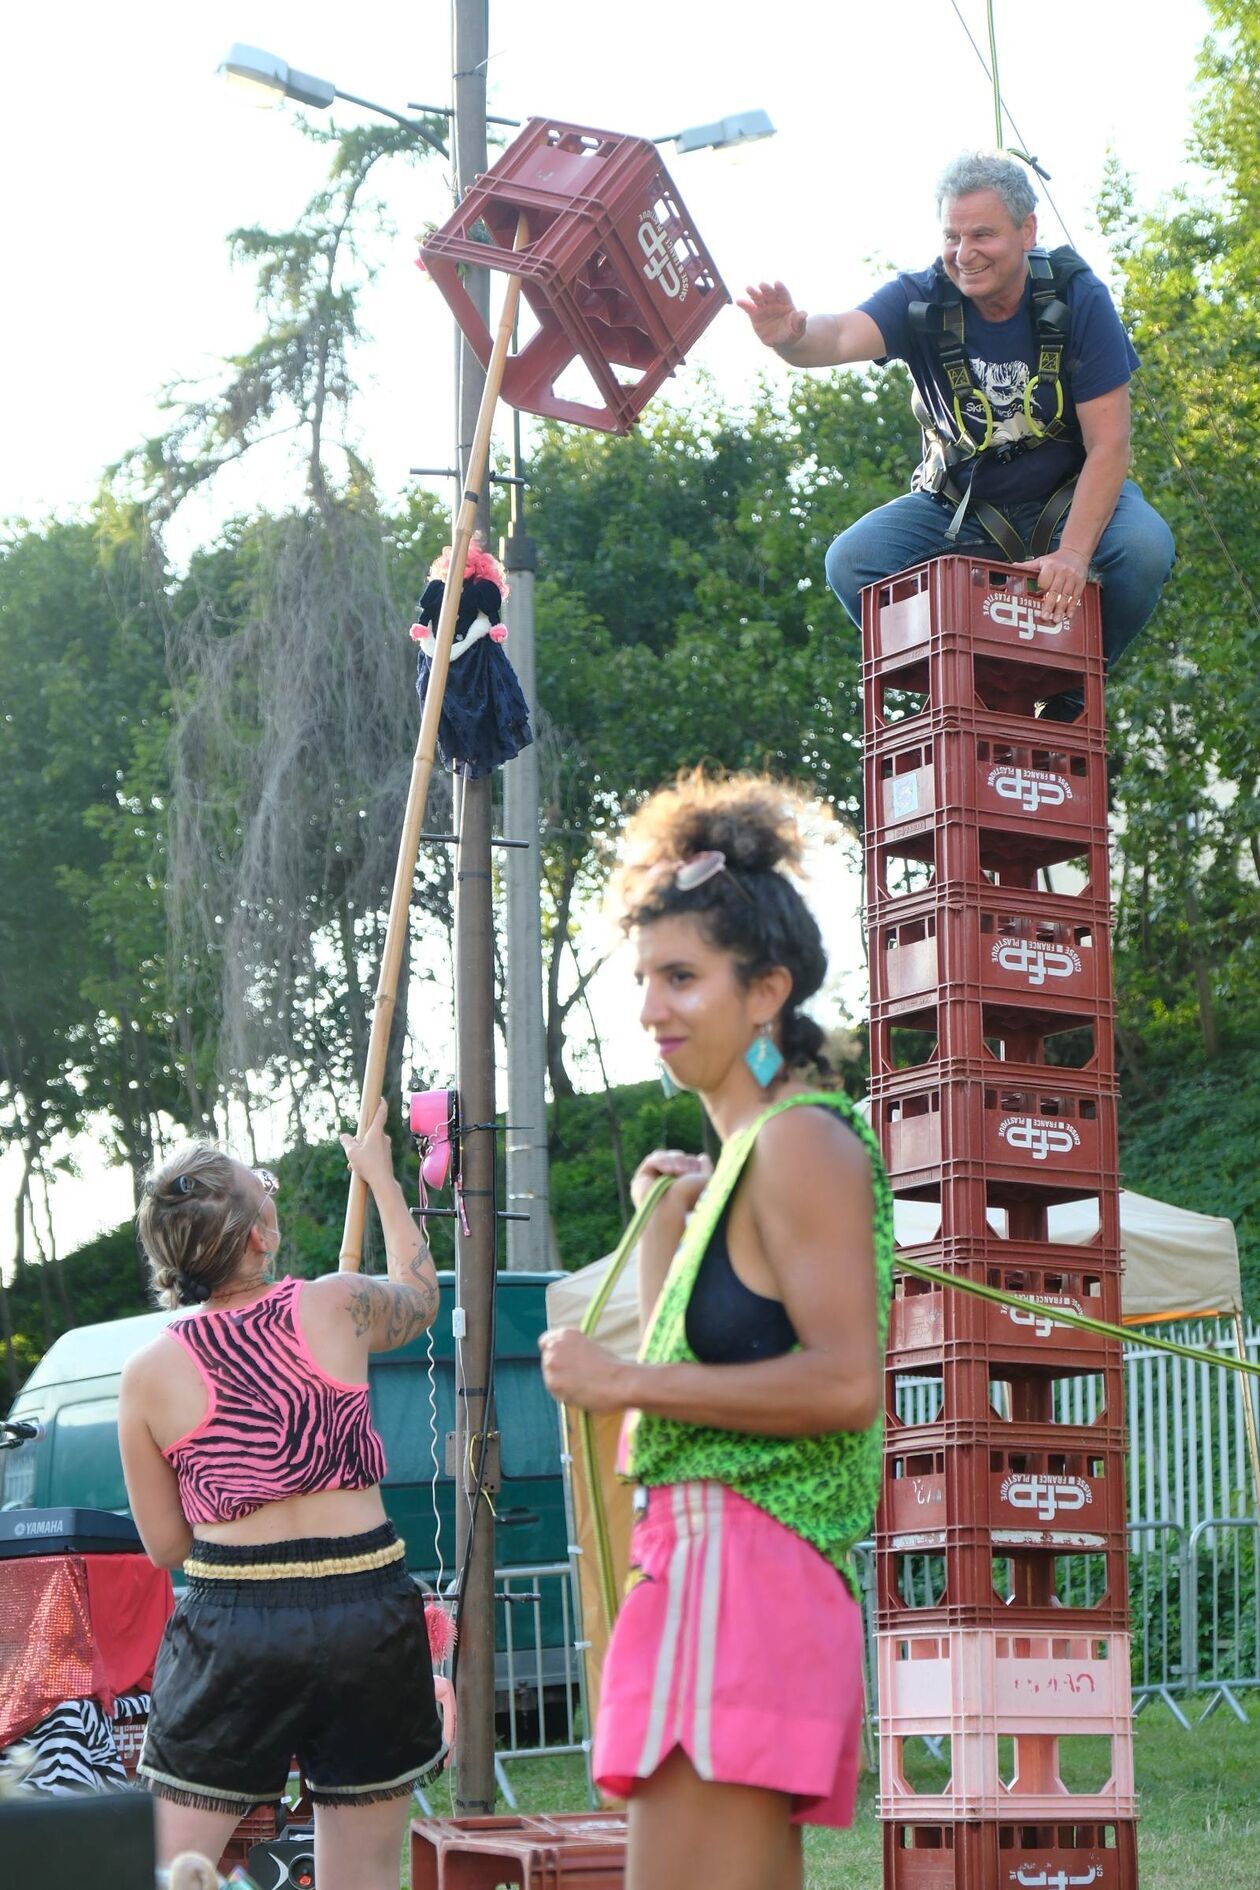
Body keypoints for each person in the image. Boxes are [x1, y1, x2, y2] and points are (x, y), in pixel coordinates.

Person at [538, 773, 892, 1890]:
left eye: (684, 978)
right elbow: (713, 1357)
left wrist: (623, 1384)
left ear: (766, 992)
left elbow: (844, 1386)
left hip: (745, 1573)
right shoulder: (739, 1158)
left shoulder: (800, 1143)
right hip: (702, 1571)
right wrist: (667, 1234)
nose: (652, 1009)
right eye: (644, 979)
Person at [118, 1100, 444, 1890]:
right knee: (360, 1878)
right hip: (366, 1608)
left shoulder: (147, 1373)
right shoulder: (336, 1304)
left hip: (236, 1621)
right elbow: (421, 1292)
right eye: (263, 1188)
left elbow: (167, 1548)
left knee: (174, 1873)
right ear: (261, 1236)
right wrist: (381, 1179)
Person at [741, 149, 1174, 719]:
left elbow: (1109, 444)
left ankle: (1075, 683)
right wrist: (791, 339)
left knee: (1143, 549)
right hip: (962, 508)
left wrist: (1072, 554)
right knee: (853, 562)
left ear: (1027, 231)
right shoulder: (923, 299)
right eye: (952, 236)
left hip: (1065, 501)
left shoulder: (1075, 297)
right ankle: (965, 695)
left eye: (982, 235)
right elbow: (841, 334)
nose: (964, 255)